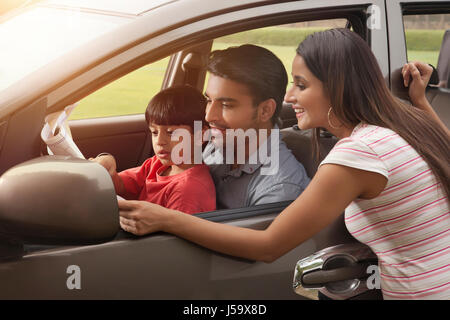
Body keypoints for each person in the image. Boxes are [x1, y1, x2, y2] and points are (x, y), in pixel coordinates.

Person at [118, 29, 449, 299]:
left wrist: (165, 220)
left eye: (301, 85)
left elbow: (268, 246)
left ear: (338, 89)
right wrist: (419, 101)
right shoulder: (400, 124)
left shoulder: (356, 154)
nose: (290, 97)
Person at [202, 44, 310, 209]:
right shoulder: (222, 140)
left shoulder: (279, 189)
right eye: (209, 100)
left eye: (226, 105)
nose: (209, 116)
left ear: (265, 111)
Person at [92, 85, 216, 214]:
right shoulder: (155, 165)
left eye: (171, 133)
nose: (159, 142)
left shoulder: (189, 189)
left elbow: (177, 231)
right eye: (154, 132)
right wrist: (108, 165)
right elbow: (121, 186)